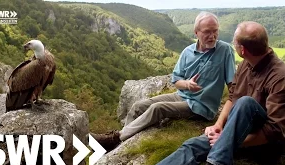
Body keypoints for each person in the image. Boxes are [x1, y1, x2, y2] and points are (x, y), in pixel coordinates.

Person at [136, 21, 285, 165]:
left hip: (264, 145)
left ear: (242, 50)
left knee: (246, 103)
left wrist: (229, 140)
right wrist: (218, 126)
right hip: (235, 132)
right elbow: (232, 97)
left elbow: (276, 132)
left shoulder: (281, 77)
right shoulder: (246, 64)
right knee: (192, 145)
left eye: (235, 42)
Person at [91, 11, 236, 152]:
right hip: (181, 95)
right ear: (196, 32)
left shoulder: (225, 50)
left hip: (201, 106)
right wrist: (187, 84)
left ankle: (115, 139)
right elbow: (176, 80)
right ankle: (121, 143)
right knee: (138, 106)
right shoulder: (187, 52)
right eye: (207, 32)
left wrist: (231, 115)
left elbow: (233, 86)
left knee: (158, 108)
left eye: (215, 31)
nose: (212, 36)